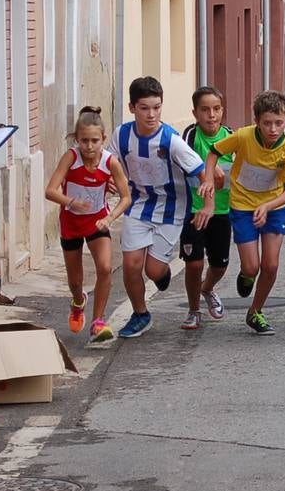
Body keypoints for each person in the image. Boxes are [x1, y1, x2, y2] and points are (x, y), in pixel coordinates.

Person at [111, 76, 205, 339]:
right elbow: (111, 164)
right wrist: (109, 182)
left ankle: (160, 273)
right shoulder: (122, 134)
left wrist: (208, 201)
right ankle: (140, 314)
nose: (151, 114)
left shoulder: (171, 141)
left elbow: (201, 171)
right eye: (144, 108)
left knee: (153, 271)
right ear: (132, 108)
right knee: (131, 264)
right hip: (137, 204)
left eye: (156, 107)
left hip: (171, 208)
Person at [199, 91, 285, 336]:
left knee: (271, 264)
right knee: (252, 266)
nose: (273, 129)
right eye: (267, 123)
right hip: (243, 206)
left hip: (274, 206)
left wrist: (267, 206)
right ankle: (246, 275)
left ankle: (255, 311)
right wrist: (210, 177)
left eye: (279, 123)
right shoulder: (243, 136)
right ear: (257, 121)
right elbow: (214, 152)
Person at [44, 106, 130, 342]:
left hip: (97, 223)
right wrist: (70, 201)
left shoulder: (110, 163)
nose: (89, 147)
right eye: (84, 141)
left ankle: (98, 322)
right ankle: (78, 300)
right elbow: (50, 191)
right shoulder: (71, 158)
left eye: (94, 141)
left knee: (104, 267)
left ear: (103, 139)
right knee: (75, 281)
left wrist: (109, 218)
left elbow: (126, 197)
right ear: (76, 139)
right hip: (70, 223)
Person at [178, 87, 234, 331]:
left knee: (220, 265)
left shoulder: (231, 136)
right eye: (205, 110)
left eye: (216, 109)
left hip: (222, 211)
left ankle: (207, 288)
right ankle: (193, 310)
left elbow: (241, 169)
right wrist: (209, 170)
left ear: (222, 111)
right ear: (195, 113)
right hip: (194, 209)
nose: (211, 115)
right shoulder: (190, 135)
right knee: (193, 264)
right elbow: (184, 161)